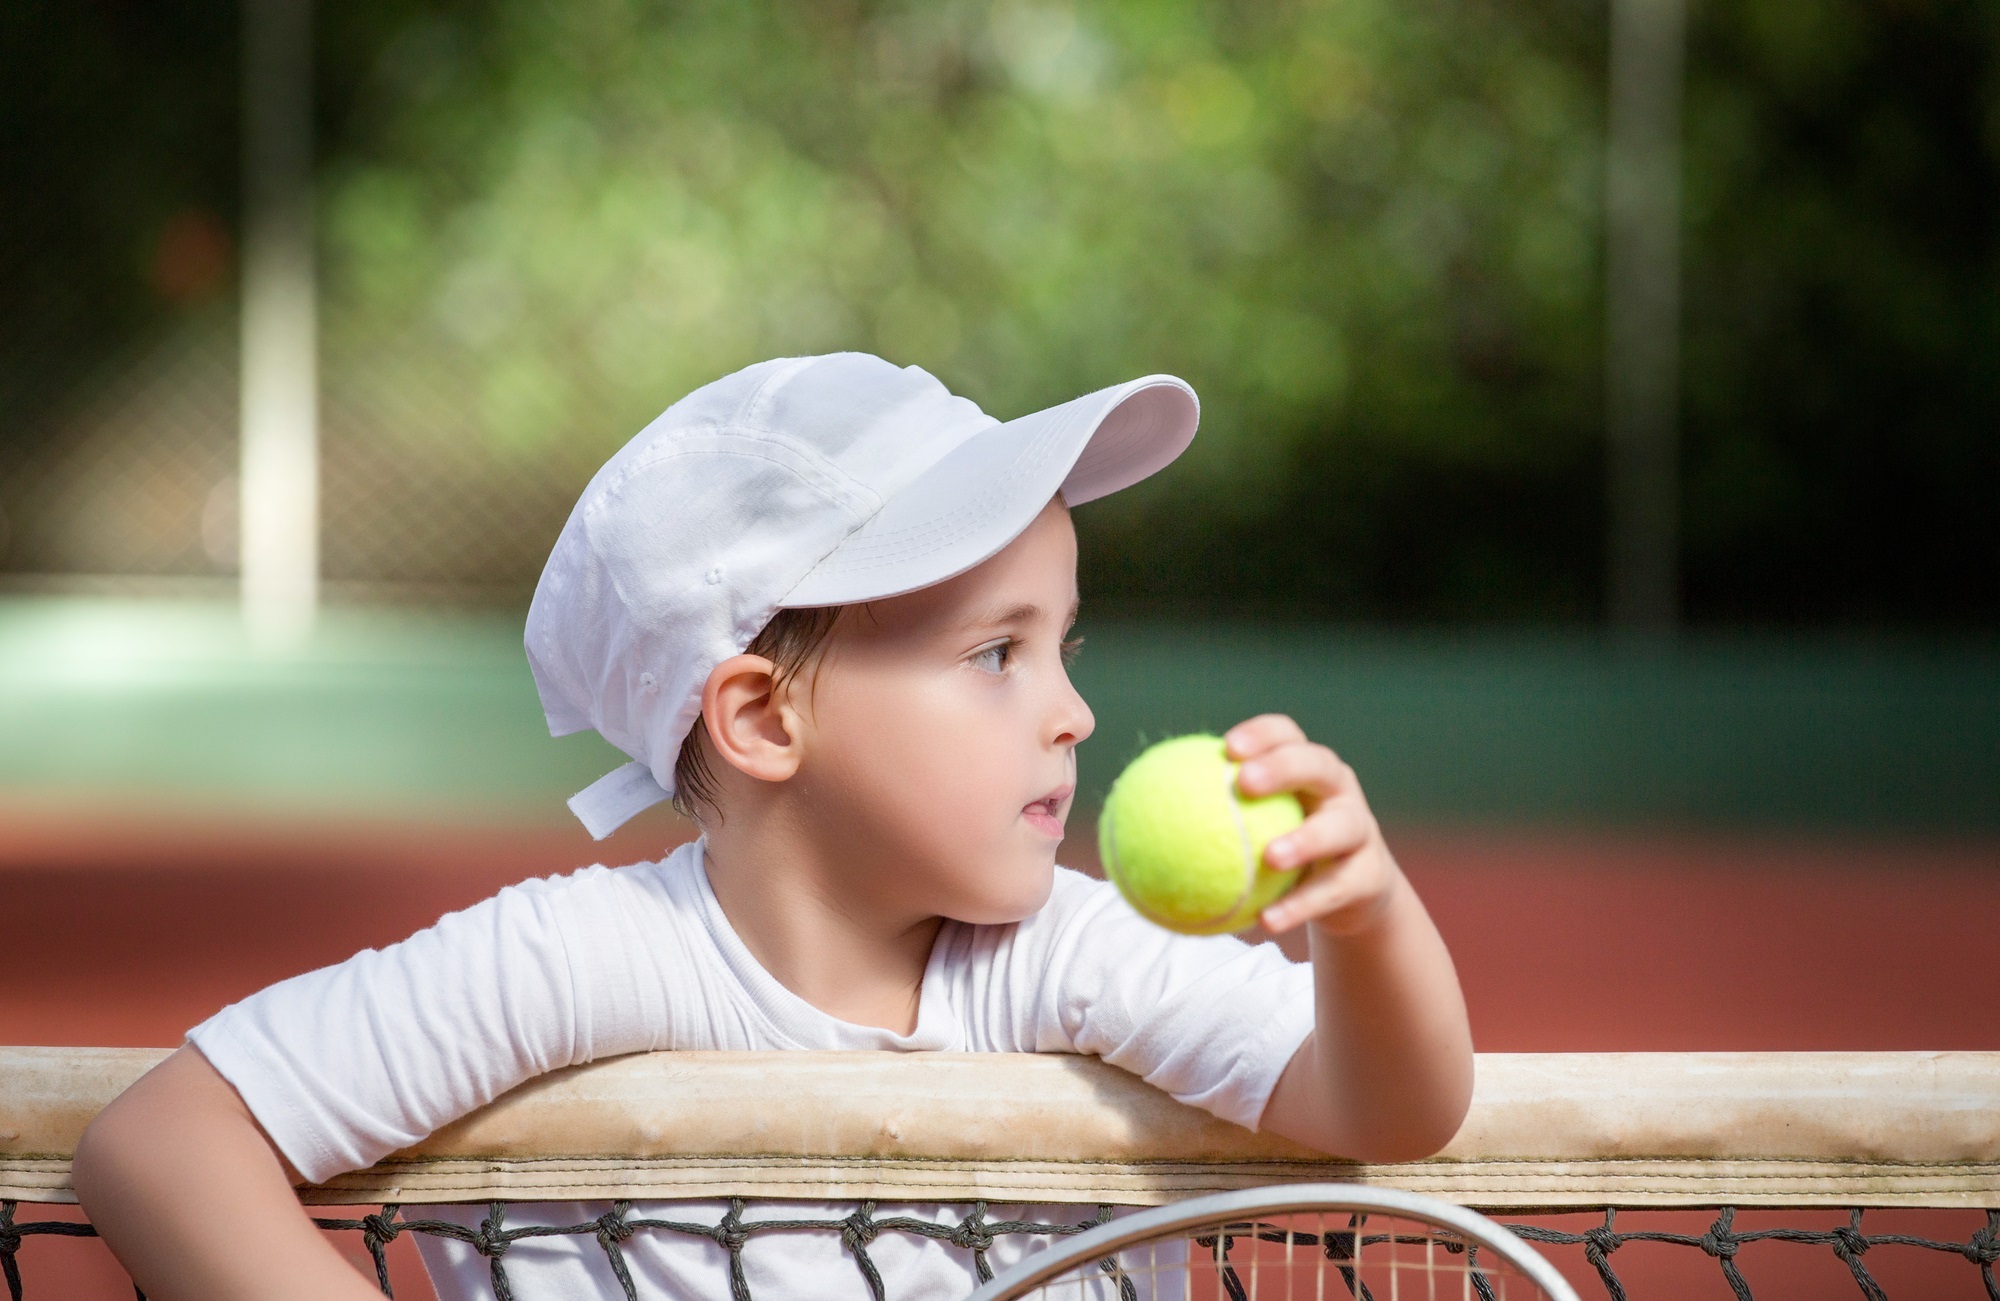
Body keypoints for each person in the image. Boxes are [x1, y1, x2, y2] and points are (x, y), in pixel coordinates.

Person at [73, 353, 1474, 1300]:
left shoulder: (1066, 956)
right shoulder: (580, 957)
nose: (1073, 714)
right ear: (758, 718)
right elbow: (160, 1145)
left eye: (1067, 645)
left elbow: (1387, 1105)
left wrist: (1365, 915)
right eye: (997, 652)